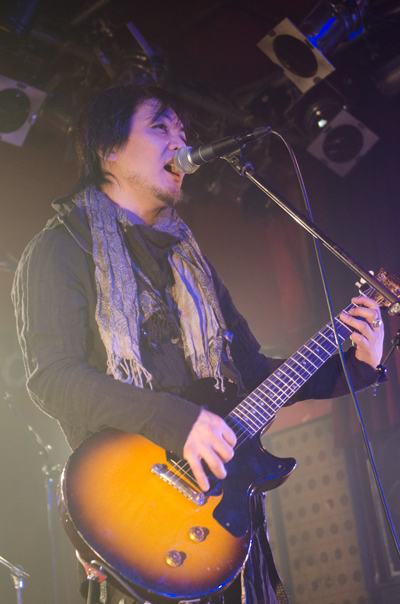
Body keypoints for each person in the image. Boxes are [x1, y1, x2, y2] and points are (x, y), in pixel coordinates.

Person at [12, 84, 385, 604]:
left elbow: (252, 373)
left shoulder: (190, 260)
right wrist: (177, 420)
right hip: (134, 515)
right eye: (160, 127)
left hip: (223, 521)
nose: (180, 142)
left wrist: (355, 364)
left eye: (183, 131)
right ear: (108, 150)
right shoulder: (59, 250)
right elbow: (54, 378)